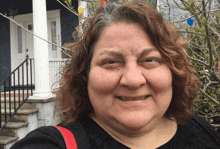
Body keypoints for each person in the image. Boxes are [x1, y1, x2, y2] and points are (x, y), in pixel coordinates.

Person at [10, 1, 220, 149]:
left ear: (174, 71)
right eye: (111, 62)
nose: (133, 80)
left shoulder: (201, 130)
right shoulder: (51, 144)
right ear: (85, 75)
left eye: (150, 60)